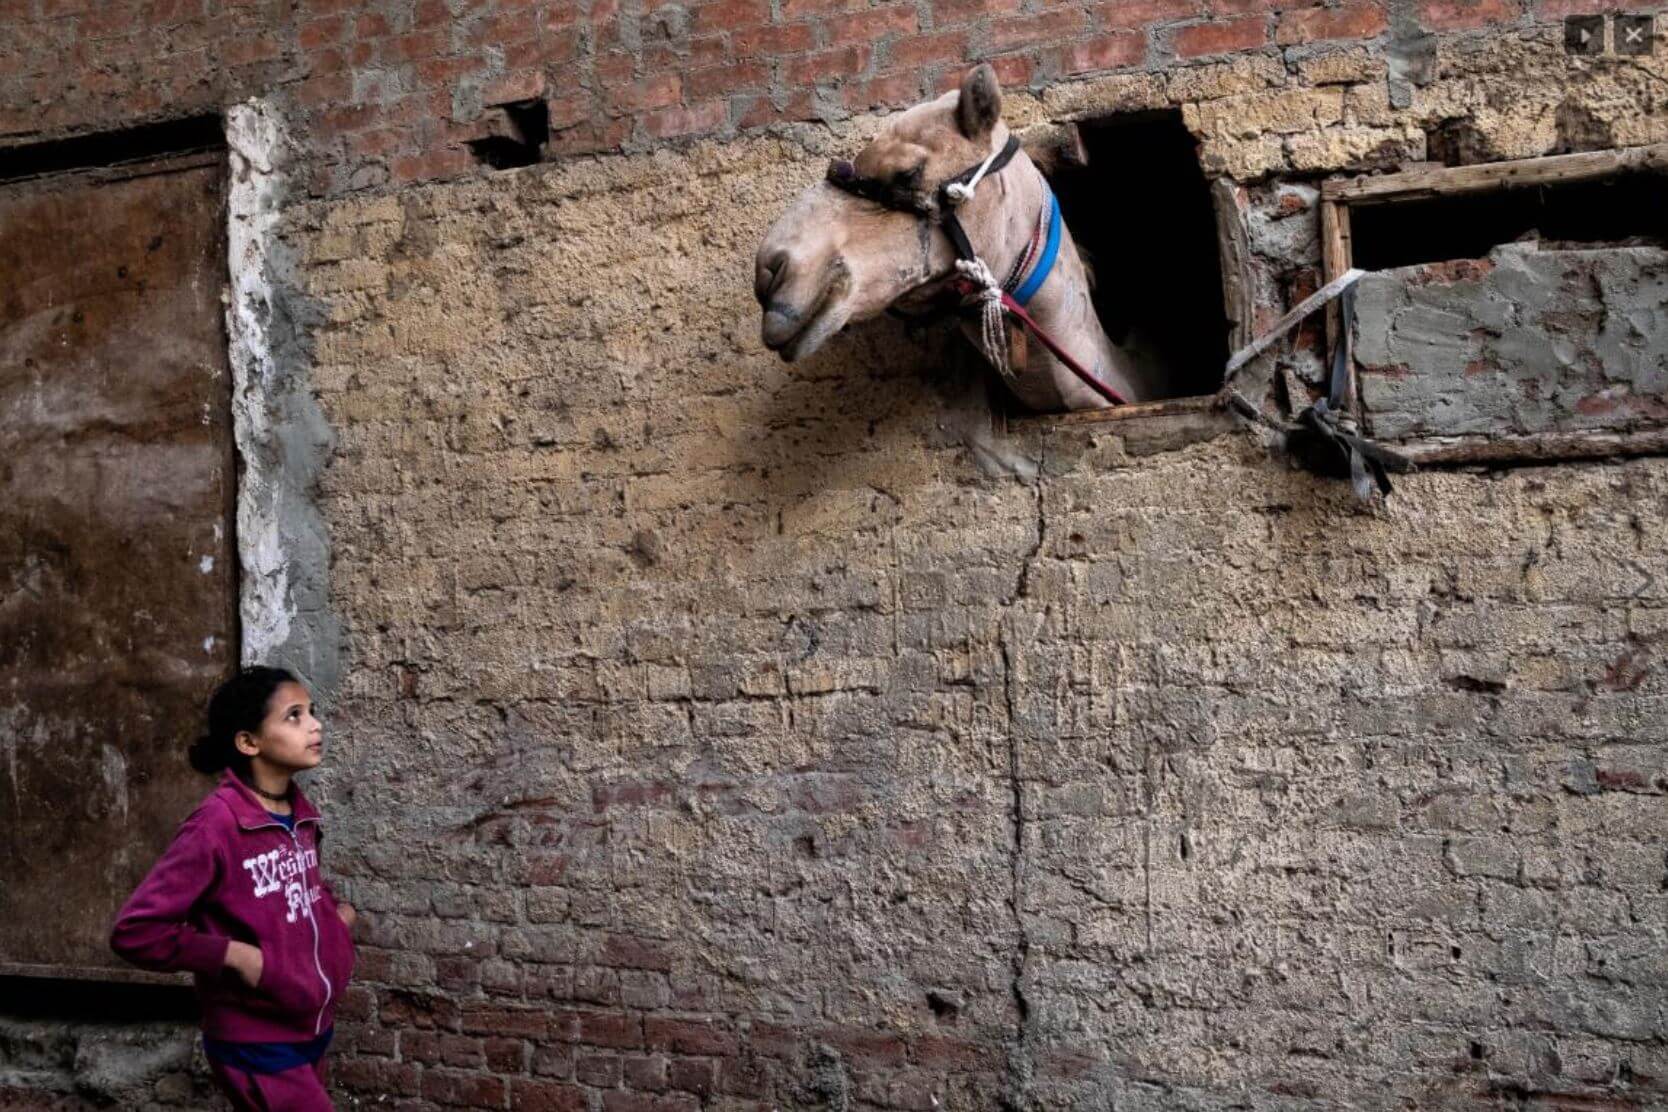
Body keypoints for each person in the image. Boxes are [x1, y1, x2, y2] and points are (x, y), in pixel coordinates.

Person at [111, 666, 356, 1111]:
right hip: (255, 1038)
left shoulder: (299, 813)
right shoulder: (216, 825)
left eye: (312, 712)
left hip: (309, 1025)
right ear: (248, 742)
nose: (316, 724)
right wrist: (237, 957)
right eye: (295, 716)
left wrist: (334, 917)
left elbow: (289, 891)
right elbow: (136, 931)